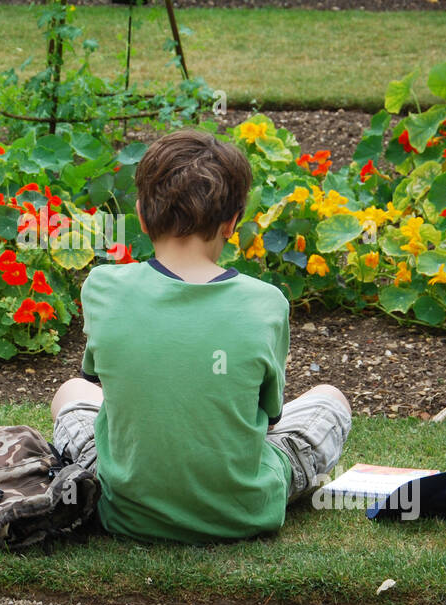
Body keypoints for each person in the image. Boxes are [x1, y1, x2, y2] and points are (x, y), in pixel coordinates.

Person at [49, 129, 351, 544]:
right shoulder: (266, 302)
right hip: (244, 511)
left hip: (124, 509)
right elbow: (269, 418)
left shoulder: (102, 287)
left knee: (71, 390)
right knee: (331, 399)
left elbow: (99, 381)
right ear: (232, 223)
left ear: (140, 214)